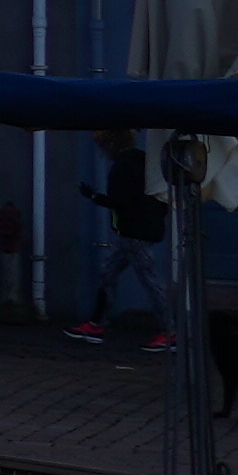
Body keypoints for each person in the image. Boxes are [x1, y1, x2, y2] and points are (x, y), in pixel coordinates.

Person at [75, 128, 178, 350]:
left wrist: (94, 197)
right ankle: (96, 324)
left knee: (149, 280)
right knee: (108, 272)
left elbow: (119, 201)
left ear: (111, 145)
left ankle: (171, 332)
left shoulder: (121, 168)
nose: (103, 153)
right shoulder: (146, 163)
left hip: (133, 232)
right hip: (143, 230)